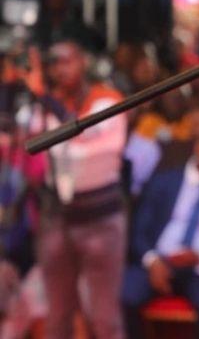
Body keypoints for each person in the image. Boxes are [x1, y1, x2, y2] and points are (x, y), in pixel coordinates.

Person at [37, 38, 128, 339]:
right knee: (57, 317)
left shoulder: (107, 99)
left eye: (67, 61)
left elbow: (87, 141)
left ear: (83, 62)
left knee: (105, 319)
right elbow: (24, 146)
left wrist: (44, 99)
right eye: (54, 64)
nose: (60, 70)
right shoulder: (42, 105)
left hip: (100, 220)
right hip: (56, 220)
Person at [122, 129, 199, 339]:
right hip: (159, 259)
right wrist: (153, 261)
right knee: (124, 295)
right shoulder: (163, 181)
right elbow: (139, 230)